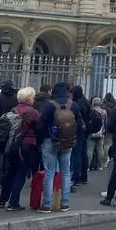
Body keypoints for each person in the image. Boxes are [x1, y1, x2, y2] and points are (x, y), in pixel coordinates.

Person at [36, 82, 81, 213]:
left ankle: (47, 205)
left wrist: (40, 140)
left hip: (50, 141)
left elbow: (40, 124)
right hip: (68, 142)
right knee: (66, 172)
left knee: (49, 173)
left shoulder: (49, 105)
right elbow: (80, 123)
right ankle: (65, 203)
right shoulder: (73, 105)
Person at [0, 87, 39, 211]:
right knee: (21, 174)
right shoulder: (33, 112)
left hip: (12, 144)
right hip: (27, 145)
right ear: (30, 99)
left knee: (10, 172)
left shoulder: (13, 110)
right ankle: (13, 202)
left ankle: (2, 200)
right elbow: (39, 128)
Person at [69, 86, 92, 187]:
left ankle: (76, 177)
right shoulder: (86, 101)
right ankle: (84, 176)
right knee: (83, 153)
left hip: (78, 130)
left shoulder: (77, 103)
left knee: (76, 154)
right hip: (85, 129)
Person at [88, 97, 107, 172]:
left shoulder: (91, 111)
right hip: (100, 132)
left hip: (91, 132)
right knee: (100, 149)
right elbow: (105, 122)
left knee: (90, 150)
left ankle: (88, 166)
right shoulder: (104, 112)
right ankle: (100, 166)